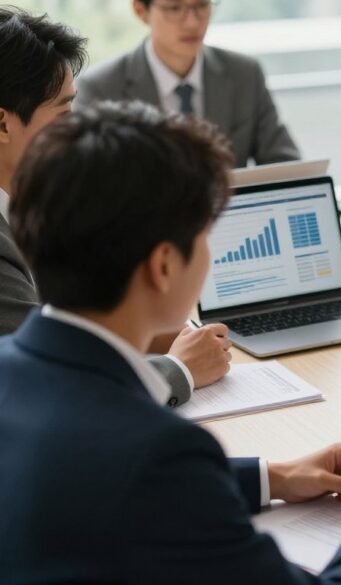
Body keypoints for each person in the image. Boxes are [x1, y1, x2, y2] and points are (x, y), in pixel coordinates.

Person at [0, 101, 341, 584]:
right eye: (206, 235)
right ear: (163, 267)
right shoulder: (160, 452)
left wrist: (274, 477)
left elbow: (85, 478)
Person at [0, 7, 228, 404]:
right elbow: (47, 384)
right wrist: (180, 369)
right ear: (3, 125)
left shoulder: (39, 203)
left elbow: (72, 319)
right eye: (64, 112)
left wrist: (152, 324)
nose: (75, 130)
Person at [77, 0, 299, 167]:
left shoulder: (245, 74)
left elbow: (285, 162)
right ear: (140, 10)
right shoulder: (101, 87)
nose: (192, 22)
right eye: (174, 8)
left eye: (202, 5)